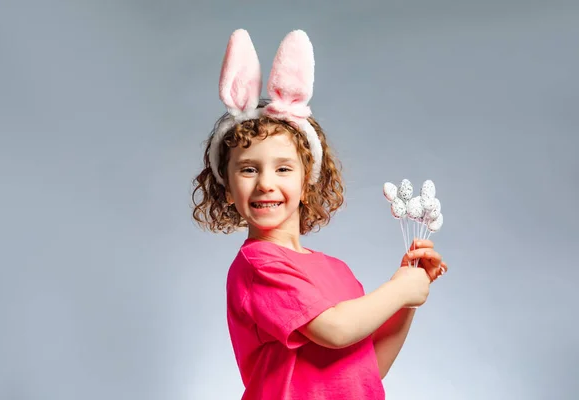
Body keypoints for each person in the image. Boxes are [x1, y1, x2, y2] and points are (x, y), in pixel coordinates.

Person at [191, 29, 449, 400]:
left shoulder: (338, 272)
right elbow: (336, 330)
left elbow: (369, 370)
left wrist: (408, 299)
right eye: (248, 169)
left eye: (283, 169)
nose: (265, 183)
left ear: (307, 183)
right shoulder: (258, 265)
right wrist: (398, 290)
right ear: (227, 190)